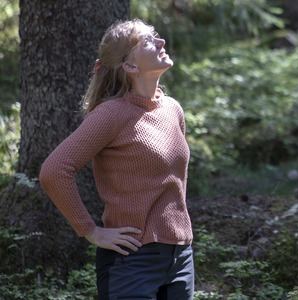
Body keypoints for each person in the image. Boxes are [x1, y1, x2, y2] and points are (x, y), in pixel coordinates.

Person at [39, 19, 194, 300]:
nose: (160, 42)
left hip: (181, 259)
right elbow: (54, 170)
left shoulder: (172, 109)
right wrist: (90, 230)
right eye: (148, 41)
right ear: (130, 67)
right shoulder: (112, 113)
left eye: (156, 36)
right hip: (131, 261)